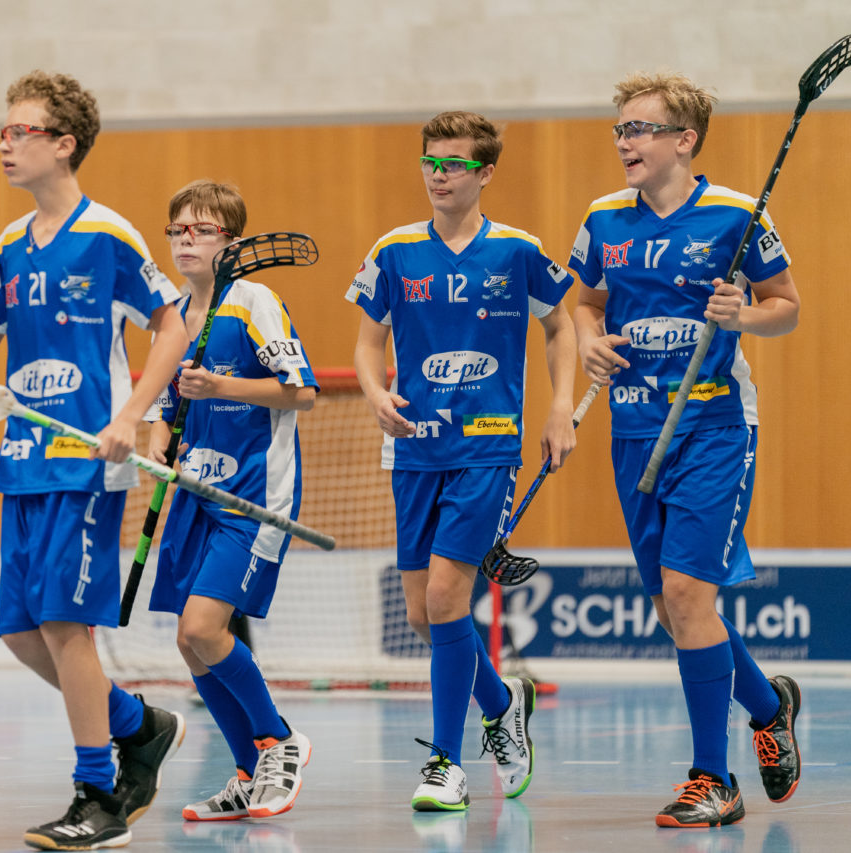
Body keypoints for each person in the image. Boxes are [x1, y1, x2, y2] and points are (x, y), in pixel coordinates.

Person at [0, 71, 189, 850]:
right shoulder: (9, 244)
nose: (4, 142)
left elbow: (173, 327)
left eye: (20, 131)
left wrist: (132, 416)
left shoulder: (111, 237)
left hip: (86, 461)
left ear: (63, 144)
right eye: (3, 130)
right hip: (21, 462)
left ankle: (98, 793)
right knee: (23, 631)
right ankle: (142, 725)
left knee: (66, 628)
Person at [569, 71, 803, 828]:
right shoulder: (604, 219)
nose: (624, 142)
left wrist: (745, 312)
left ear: (684, 139)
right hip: (635, 431)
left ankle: (714, 778)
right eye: (620, 130)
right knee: (675, 613)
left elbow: (786, 307)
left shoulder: (738, 214)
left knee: (688, 597)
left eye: (638, 129)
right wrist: (588, 344)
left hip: (713, 427)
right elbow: (585, 301)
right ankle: (770, 706)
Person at [346, 111, 577, 811]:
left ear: (485, 172)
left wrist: (560, 404)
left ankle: (446, 763)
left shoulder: (517, 251)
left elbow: (560, 323)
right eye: (430, 161)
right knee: (423, 613)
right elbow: (366, 341)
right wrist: (372, 389)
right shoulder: (393, 251)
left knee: (449, 600)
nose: (438, 174)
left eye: (453, 163)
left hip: (486, 445)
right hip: (414, 448)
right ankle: (503, 702)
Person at [144, 180, 317, 821]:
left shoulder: (253, 302)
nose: (186, 240)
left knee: (202, 628)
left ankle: (280, 740)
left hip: (250, 497)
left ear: (232, 243)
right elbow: (168, 404)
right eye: (177, 230)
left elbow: (299, 392)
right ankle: (247, 770)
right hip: (191, 494)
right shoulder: (171, 314)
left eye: (202, 230)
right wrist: (161, 437)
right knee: (190, 645)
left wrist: (221, 384)